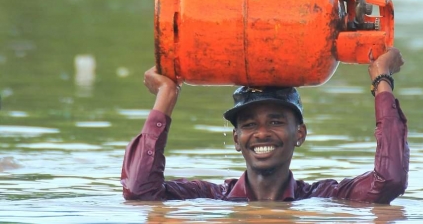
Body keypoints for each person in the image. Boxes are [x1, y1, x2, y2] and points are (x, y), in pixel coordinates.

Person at [121, 47, 408, 204]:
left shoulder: (325, 197)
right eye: (248, 125)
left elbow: (389, 181)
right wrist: (167, 94)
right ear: (236, 139)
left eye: (275, 121)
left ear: (300, 133)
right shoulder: (210, 198)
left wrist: (381, 81)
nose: (261, 133)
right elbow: (140, 191)